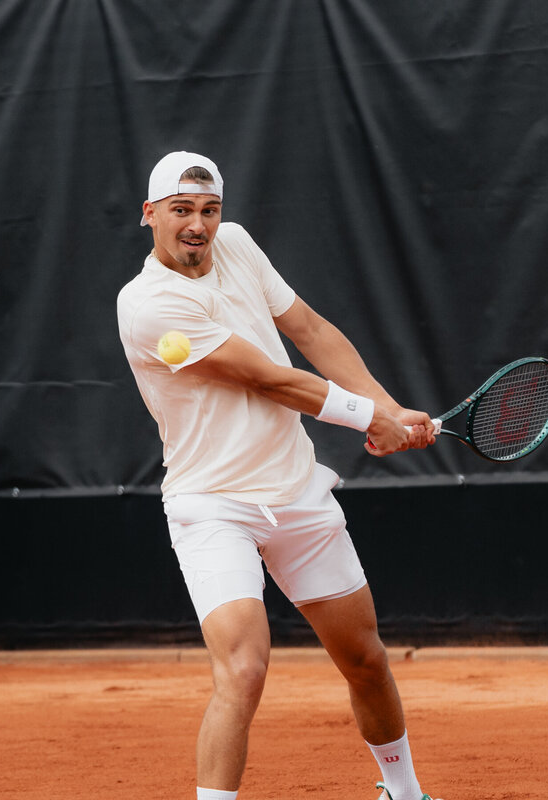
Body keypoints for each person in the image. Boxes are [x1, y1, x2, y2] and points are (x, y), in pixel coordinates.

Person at [117, 152, 442, 800]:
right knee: (242, 670)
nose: (198, 225)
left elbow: (310, 330)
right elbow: (270, 379)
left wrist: (389, 407)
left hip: (296, 492)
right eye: (181, 210)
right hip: (213, 507)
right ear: (150, 214)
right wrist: (370, 418)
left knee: (366, 659)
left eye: (209, 210)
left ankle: (403, 795)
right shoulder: (147, 305)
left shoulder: (236, 245)